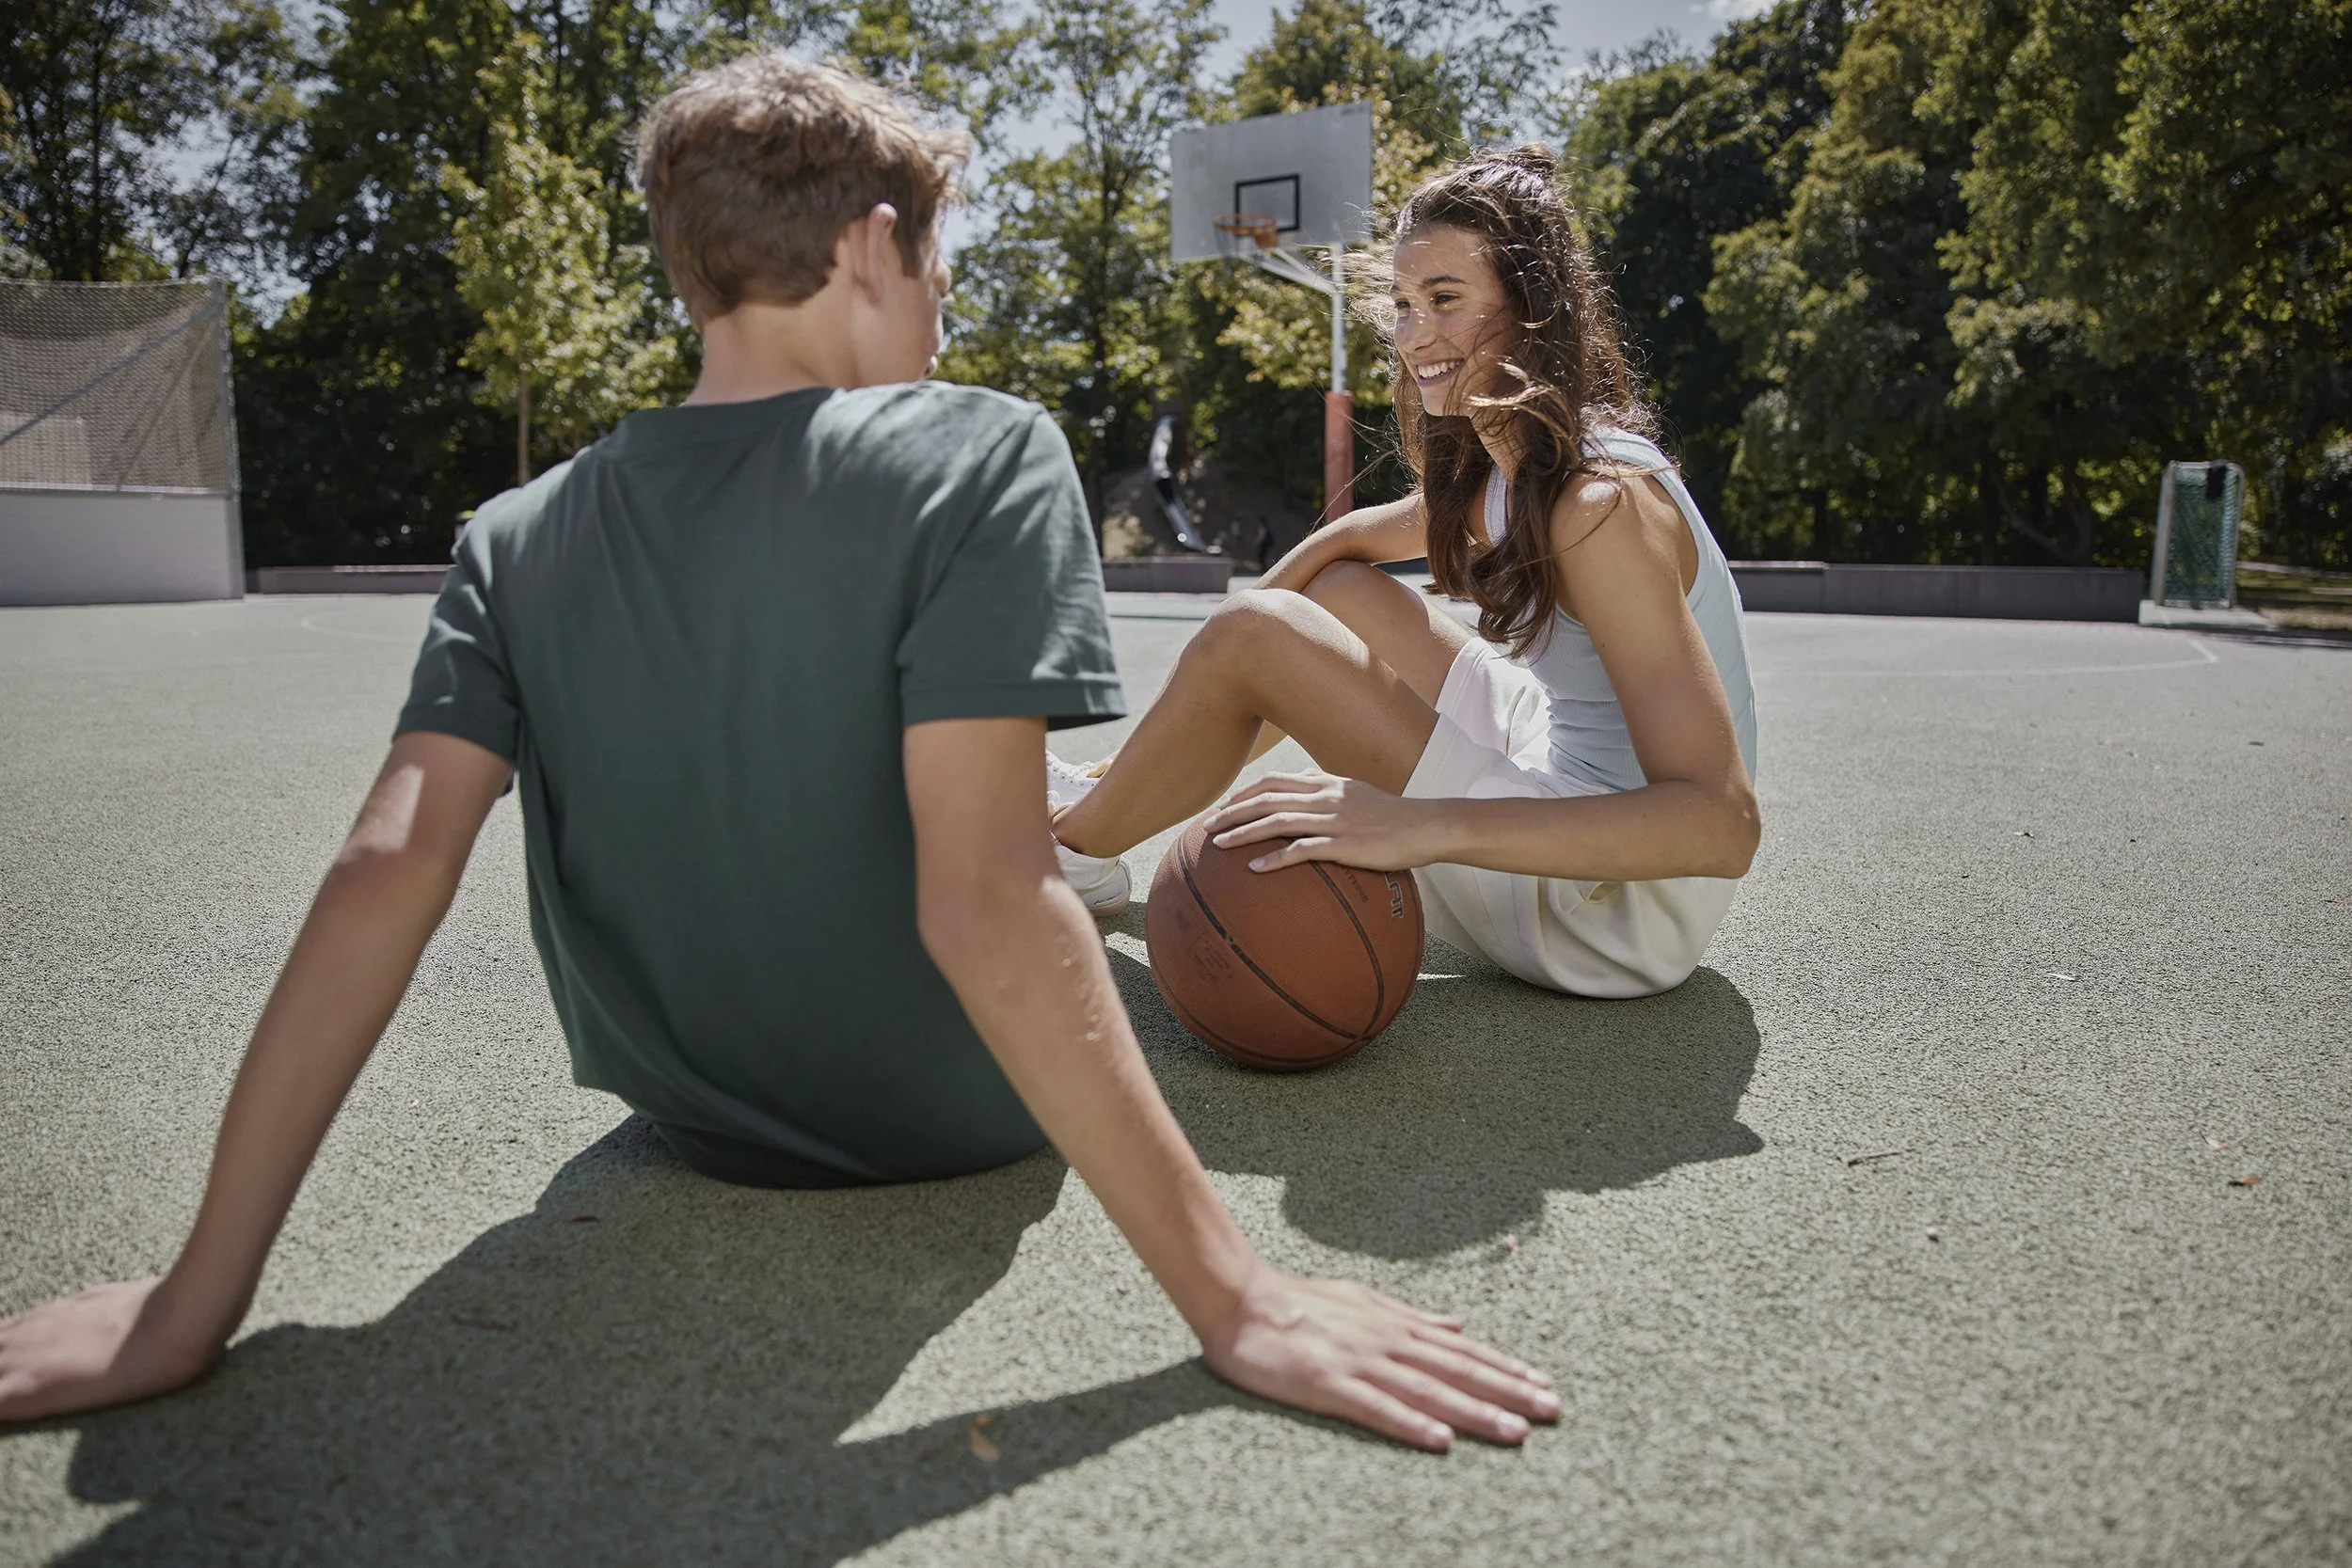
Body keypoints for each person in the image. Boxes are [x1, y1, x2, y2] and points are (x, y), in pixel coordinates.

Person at [0, 55, 1555, 1453]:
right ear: (874, 247)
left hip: (695, 1116)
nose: (943, 313)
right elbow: (987, 902)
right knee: (1055, 887)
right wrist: (1239, 1300)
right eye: (940, 270)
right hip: (951, 1111)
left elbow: (385, 867)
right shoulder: (981, 452)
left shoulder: (513, 533)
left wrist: (194, 1298)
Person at [1050, 146, 1761, 999]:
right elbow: (1343, 543)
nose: (1414, 333)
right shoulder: (1517, 466)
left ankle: (1070, 851)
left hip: (1613, 906)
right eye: (1402, 303)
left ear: (1532, 308)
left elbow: (1722, 825)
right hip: (1548, 752)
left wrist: (1415, 824)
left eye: (1446, 299)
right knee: (1325, 598)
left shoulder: (1599, 507)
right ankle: (1107, 793)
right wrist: (1173, 723)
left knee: (1254, 632)